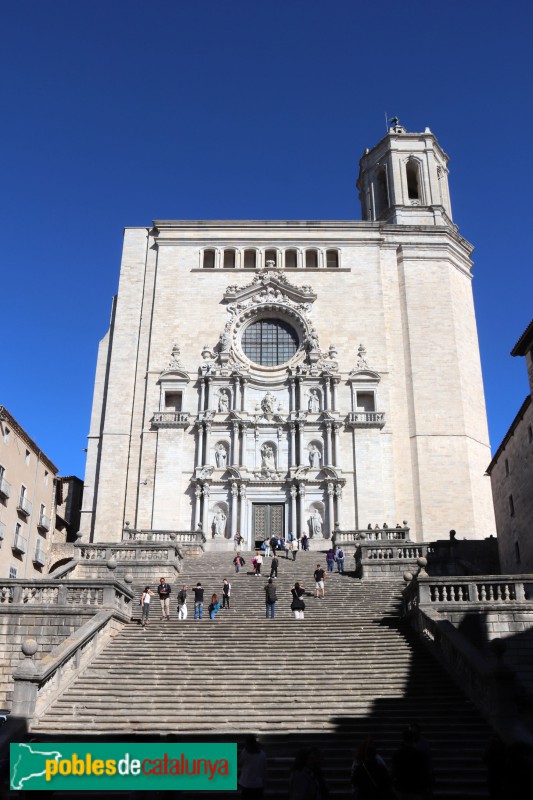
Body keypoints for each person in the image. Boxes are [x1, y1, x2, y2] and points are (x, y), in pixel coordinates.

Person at [391, 727, 432, 800]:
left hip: (401, 790)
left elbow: (393, 772)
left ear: (403, 740)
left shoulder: (397, 754)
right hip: (416, 791)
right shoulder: (420, 755)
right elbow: (425, 773)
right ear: (413, 740)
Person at [238, 734, 267, 799]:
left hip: (246, 783)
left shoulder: (245, 752)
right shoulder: (262, 754)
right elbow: (264, 769)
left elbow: (240, 762)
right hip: (258, 784)